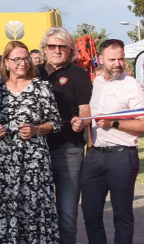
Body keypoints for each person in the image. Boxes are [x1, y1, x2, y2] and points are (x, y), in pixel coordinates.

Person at [73, 39, 144, 244]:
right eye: (112, 59)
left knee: (122, 215)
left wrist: (114, 123)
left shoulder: (133, 86)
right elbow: (91, 116)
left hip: (122, 156)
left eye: (121, 58)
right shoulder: (97, 82)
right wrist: (85, 129)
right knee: (90, 214)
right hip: (95, 156)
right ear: (100, 59)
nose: (118, 63)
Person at [0, 41, 60, 244]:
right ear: (6, 62)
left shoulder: (41, 87)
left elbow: (56, 122)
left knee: (34, 206)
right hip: (5, 160)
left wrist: (37, 129)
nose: (22, 63)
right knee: (4, 206)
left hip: (34, 161)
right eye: (16, 59)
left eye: (25, 58)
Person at [38, 27, 93, 244]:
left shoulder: (78, 74)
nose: (57, 50)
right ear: (45, 49)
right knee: (39, 211)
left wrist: (82, 123)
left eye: (62, 46)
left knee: (67, 213)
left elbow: (86, 110)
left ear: (70, 50)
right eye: (52, 46)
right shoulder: (35, 72)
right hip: (38, 150)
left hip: (68, 149)